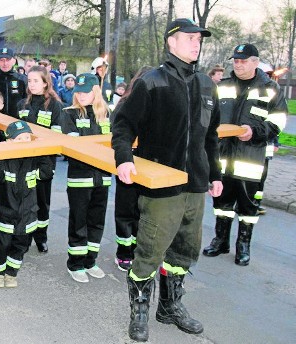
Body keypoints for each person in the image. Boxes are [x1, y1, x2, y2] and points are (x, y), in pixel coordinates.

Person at [111, 18, 222, 342]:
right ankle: (140, 311)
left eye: (198, 38)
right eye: (188, 37)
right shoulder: (152, 81)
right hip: (161, 186)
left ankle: (169, 307)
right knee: (149, 251)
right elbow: (123, 125)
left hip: (195, 185)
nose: (195, 42)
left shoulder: (206, 84)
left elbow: (210, 135)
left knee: (184, 251)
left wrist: (214, 175)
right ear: (171, 42)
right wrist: (124, 159)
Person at [202, 43, 286, 266]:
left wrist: (256, 132)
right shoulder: (223, 86)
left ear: (255, 63)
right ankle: (220, 240)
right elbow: (210, 117)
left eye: (243, 61)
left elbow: (278, 120)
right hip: (223, 157)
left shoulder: (270, 88)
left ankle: (243, 245)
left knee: (248, 207)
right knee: (221, 203)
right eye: (236, 61)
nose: (238, 64)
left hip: (251, 158)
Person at [60, 73, 112, 283]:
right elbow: (73, 148)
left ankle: (90, 261)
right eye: (78, 92)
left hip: (103, 177)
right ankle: (75, 263)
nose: (80, 96)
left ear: (95, 92)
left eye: (85, 92)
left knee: (97, 222)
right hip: (80, 177)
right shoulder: (69, 114)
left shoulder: (108, 114)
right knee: (79, 222)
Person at [0, 120, 54, 288]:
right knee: (2, 245)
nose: (24, 141)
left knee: (20, 245)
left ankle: (11, 273)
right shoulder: (3, 159)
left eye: (27, 137)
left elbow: (46, 173)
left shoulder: (34, 159)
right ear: (9, 142)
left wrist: (43, 153)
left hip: (27, 212)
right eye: (19, 139)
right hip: (5, 211)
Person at [17, 65, 63, 253]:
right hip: (24, 161)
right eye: (29, 81)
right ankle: (24, 237)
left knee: (42, 202)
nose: (32, 84)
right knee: (25, 200)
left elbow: (58, 135)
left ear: (45, 83)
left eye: (36, 81)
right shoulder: (22, 105)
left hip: (44, 162)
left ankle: (41, 237)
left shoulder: (55, 105)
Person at [111, 66, 153, 272]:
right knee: (126, 210)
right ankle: (124, 252)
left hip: (149, 167)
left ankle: (139, 249)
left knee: (143, 212)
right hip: (128, 164)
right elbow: (118, 131)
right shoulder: (126, 103)